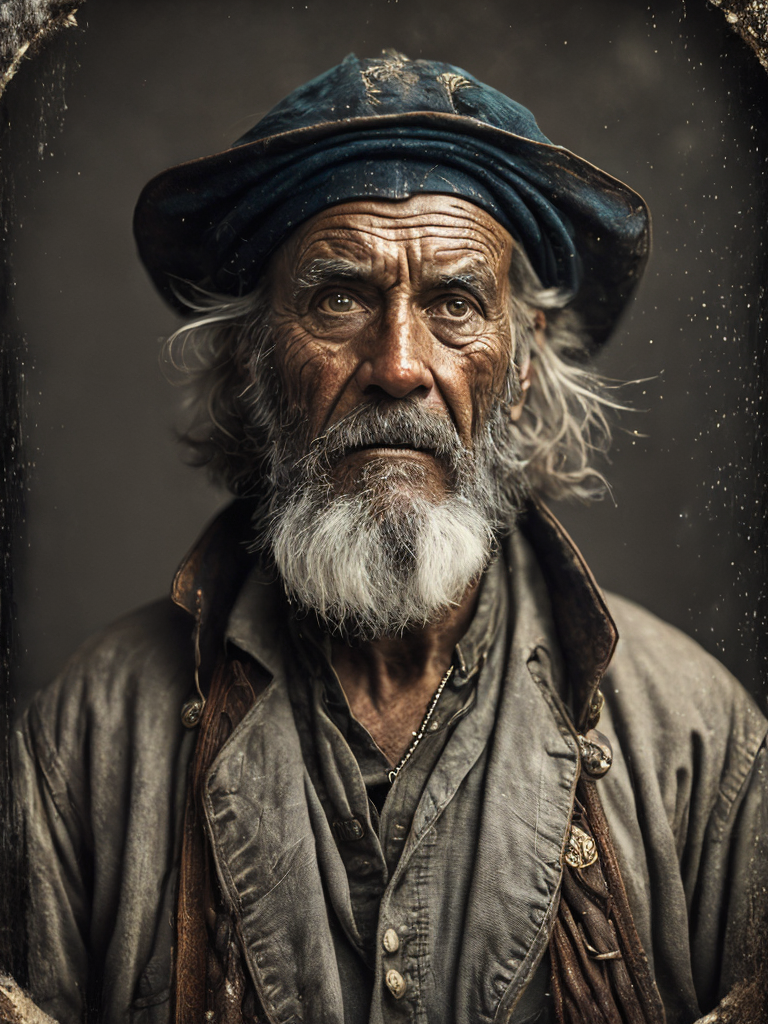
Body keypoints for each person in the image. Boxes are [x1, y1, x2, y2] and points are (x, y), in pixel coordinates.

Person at [14, 52, 767, 1024]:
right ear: (253, 361)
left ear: (526, 369)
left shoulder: (700, 744)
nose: (399, 366)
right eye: (339, 298)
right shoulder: (87, 738)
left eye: (454, 304)